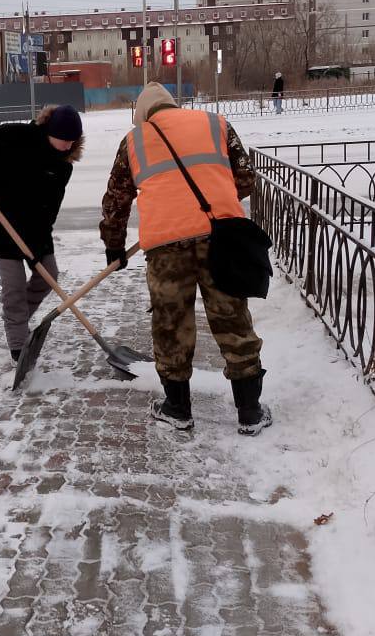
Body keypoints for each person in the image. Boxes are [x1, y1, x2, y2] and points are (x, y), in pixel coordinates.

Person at [100, 82, 271, 436]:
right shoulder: (215, 123)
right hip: (220, 239)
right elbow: (245, 179)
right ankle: (250, 412)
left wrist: (114, 246)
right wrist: (215, 194)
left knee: (171, 326)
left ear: (143, 116)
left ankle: (177, 409)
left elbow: (116, 200)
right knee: (232, 321)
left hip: (165, 248)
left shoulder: (133, 141)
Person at [0, 104, 84, 362]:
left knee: (49, 276)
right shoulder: (14, 136)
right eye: (64, 139)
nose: (68, 145)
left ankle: (18, 317)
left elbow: (50, 210)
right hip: (2, 228)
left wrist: (40, 247)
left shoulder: (62, 166)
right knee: (13, 289)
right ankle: (18, 346)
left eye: (73, 141)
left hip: (35, 232)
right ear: (49, 130)